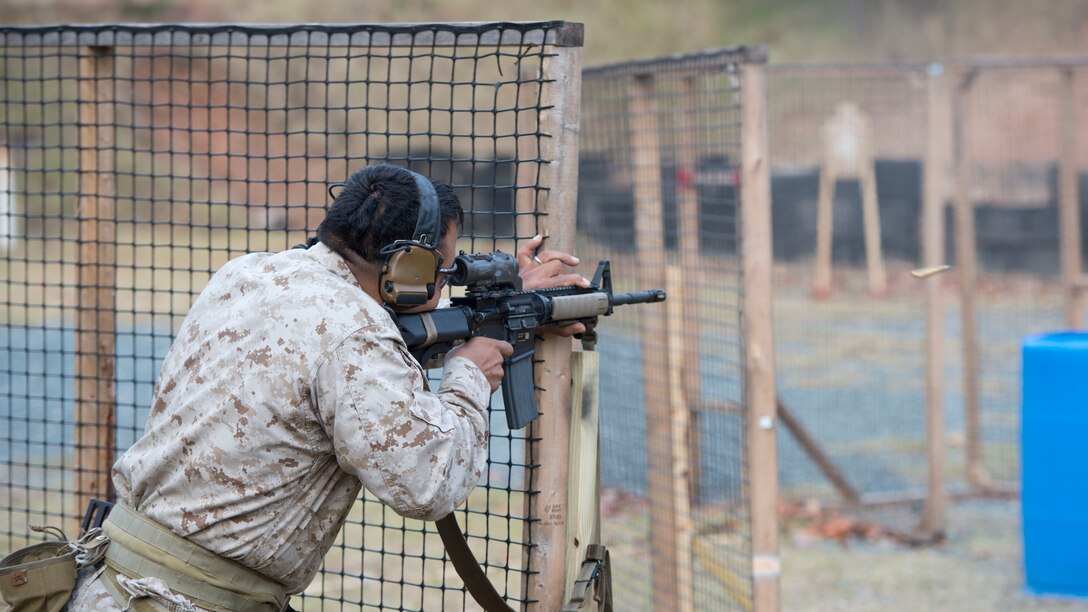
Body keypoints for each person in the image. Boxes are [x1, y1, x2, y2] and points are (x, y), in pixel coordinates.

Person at [68, 163, 587, 610]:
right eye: (442, 270)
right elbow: (429, 483)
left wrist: (505, 306)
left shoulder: (249, 274)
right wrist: (468, 376)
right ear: (407, 267)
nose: (443, 284)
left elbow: (333, 349)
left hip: (114, 581)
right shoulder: (355, 336)